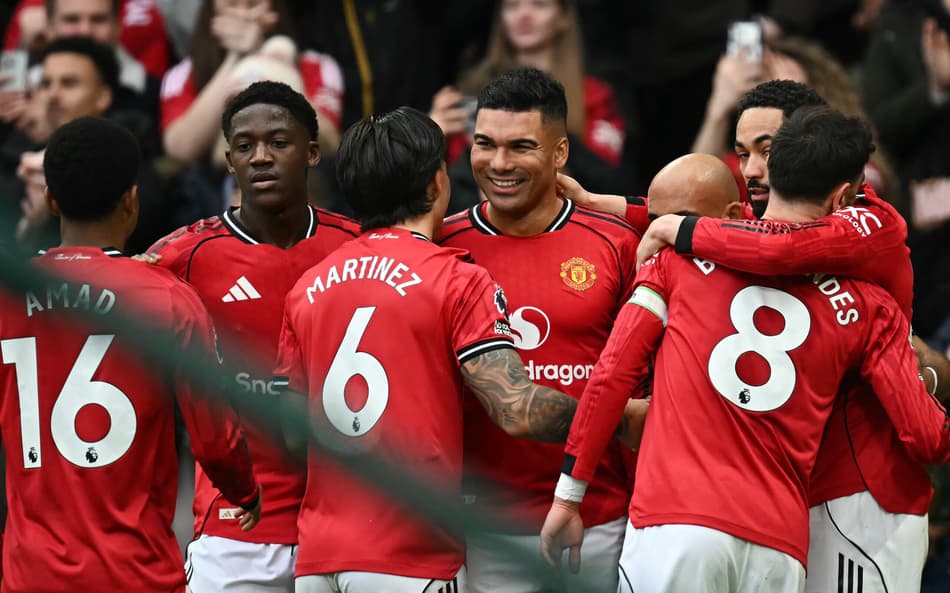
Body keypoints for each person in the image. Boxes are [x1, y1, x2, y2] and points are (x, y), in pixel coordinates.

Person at [540, 106, 950, 593]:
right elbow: (930, 439)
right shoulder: (866, 303)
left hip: (675, 523)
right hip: (780, 543)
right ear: (842, 195)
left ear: (768, 174)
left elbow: (610, 378)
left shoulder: (675, 263)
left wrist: (567, 498)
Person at [276, 104, 616, 593]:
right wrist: (616, 418)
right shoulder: (456, 277)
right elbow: (516, 409)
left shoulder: (308, 287)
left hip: (319, 556)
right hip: (411, 555)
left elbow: (290, 435)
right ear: (438, 182)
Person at [0, 116, 261, 592]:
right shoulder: (166, 297)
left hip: (30, 573)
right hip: (135, 573)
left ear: (51, 201)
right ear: (131, 200)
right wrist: (245, 491)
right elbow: (214, 440)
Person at [147, 80, 359, 593]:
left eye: (278, 142)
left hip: (346, 523)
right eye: (245, 146)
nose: (261, 157)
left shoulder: (355, 246)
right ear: (229, 160)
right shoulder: (181, 256)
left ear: (312, 153)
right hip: (235, 527)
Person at [436, 67, 638, 593]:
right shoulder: (442, 247)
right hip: (484, 526)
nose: (499, 163)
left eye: (520, 146)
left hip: (600, 517)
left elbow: (646, 385)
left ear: (560, 153)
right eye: (485, 144)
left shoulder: (615, 243)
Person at [434, 0, 627, 212]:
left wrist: (547, 127)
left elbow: (612, 182)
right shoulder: (470, 90)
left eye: (539, 5)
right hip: (476, 215)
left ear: (563, 17)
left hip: (569, 216)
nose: (524, 15)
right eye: (512, 6)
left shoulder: (594, 94)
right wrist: (430, 137)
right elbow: (447, 185)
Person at [8, 36, 174, 256]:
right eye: (46, 84)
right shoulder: (19, 160)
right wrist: (31, 229)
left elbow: (146, 224)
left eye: (69, 83)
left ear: (103, 97)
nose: (52, 96)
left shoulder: (135, 152)